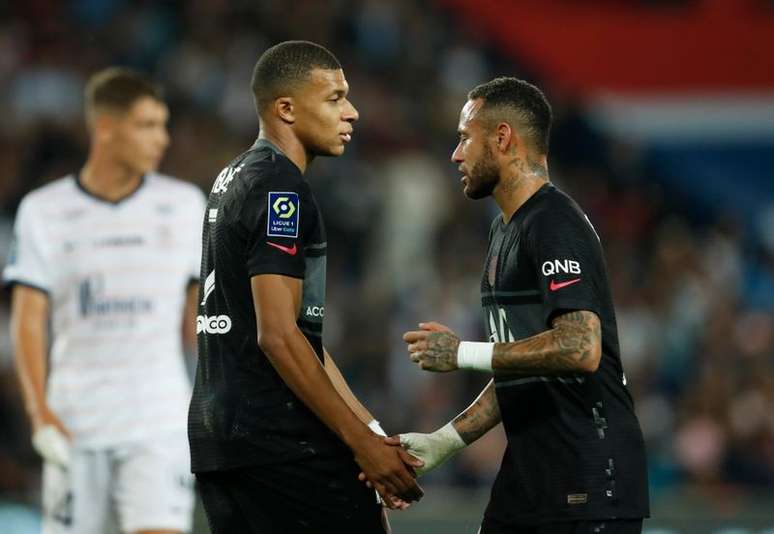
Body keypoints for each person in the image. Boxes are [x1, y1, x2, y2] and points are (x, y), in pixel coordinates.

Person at [187, 40, 423, 533]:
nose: (352, 112)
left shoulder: (234, 176)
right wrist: (361, 445)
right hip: (279, 441)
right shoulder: (281, 189)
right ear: (286, 109)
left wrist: (373, 431)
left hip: (222, 438)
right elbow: (277, 336)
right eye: (335, 98)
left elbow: (300, 339)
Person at [397, 77, 650, 533]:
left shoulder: (554, 223)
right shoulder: (504, 230)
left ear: (501, 137)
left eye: (464, 137)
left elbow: (580, 347)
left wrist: (461, 354)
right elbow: (524, 364)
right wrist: (445, 442)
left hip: (588, 479)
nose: (456, 154)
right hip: (532, 475)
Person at [4, 67, 205, 534]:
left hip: (158, 418)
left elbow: (198, 318)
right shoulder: (45, 212)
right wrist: (39, 414)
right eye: (147, 126)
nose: (163, 139)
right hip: (76, 421)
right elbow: (29, 319)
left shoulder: (184, 205)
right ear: (106, 129)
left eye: (164, 125)